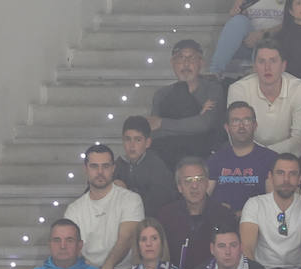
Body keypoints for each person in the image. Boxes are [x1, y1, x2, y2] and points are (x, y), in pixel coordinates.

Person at [64, 143, 144, 269]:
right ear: (86, 169)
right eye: (94, 166)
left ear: (113, 168)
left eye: (105, 166)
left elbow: (127, 238)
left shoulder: (131, 199)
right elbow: (72, 249)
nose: (100, 172)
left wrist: (109, 266)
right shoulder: (73, 210)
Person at [148, 39, 227, 167]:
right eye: (180, 59)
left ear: (201, 62)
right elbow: (155, 132)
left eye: (192, 58)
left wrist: (163, 122)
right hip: (170, 157)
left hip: (205, 156)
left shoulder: (212, 89)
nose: (186, 64)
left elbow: (205, 125)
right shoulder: (162, 94)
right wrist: (197, 117)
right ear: (172, 63)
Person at [227, 41, 301, 155]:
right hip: (249, 157)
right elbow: (236, 135)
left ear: (283, 66)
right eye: (261, 62)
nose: (267, 68)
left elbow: (300, 139)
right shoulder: (238, 89)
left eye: (273, 61)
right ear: (254, 67)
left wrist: (264, 155)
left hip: (289, 159)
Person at [205, 102, 278, 214]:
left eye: (247, 120)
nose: (241, 126)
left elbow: (275, 204)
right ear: (227, 128)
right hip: (221, 222)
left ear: (255, 125)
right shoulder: (215, 159)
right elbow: (204, 198)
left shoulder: (271, 159)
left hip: (258, 222)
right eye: (235, 121)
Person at [115, 115, 176, 215]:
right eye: (127, 139)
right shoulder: (118, 164)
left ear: (147, 143)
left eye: (138, 140)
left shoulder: (158, 167)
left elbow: (156, 204)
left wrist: (126, 192)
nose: (132, 145)